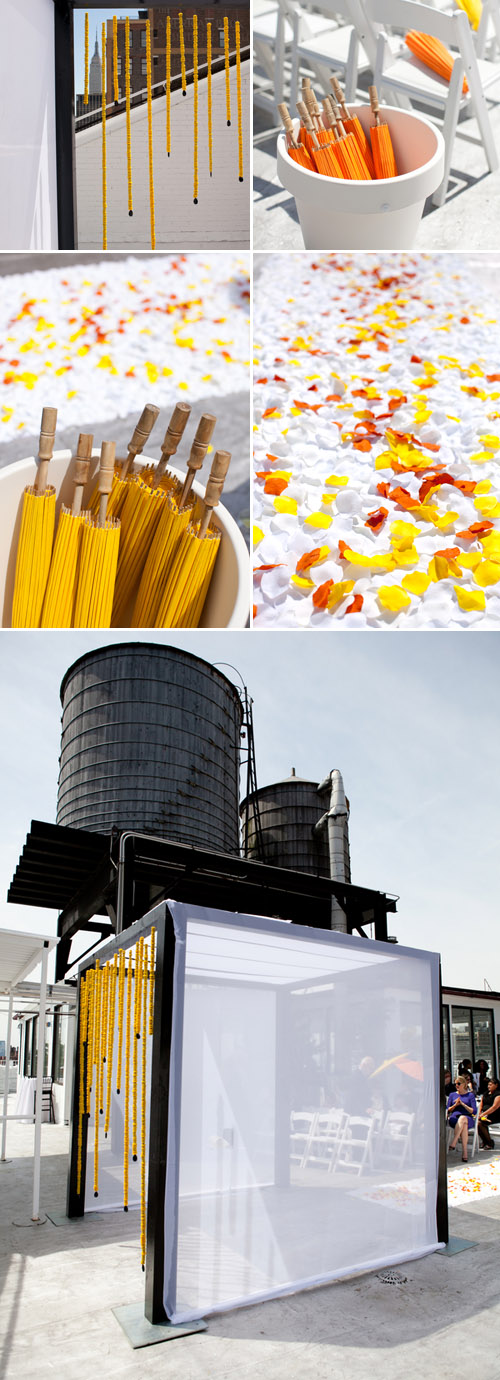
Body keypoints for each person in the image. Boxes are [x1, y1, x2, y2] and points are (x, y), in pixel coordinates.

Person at [446, 1075, 477, 1162]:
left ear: (464, 1084)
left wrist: (462, 1104)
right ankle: (465, 1152)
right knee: (463, 1124)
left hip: (467, 1117)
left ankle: (454, 1142)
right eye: (455, 1084)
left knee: (463, 1119)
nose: (457, 1085)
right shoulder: (452, 1095)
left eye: (458, 1083)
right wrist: (455, 1105)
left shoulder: (470, 1095)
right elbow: (447, 1110)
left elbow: (474, 1111)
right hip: (455, 1118)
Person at [477, 1076, 500, 1150]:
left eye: (491, 1085)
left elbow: (494, 1107)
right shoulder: (486, 1093)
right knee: (477, 1123)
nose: (488, 1086)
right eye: (488, 1085)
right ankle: (485, 1141)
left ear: (496, 1085)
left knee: (481, 1123)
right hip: (485, 1114)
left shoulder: (498, 1094)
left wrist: (483, 1114)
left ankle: (489, 1142)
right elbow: (481, 1104)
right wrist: (480, 1113)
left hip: (495, 1115)